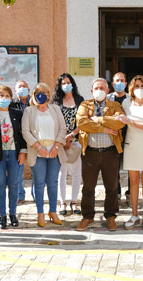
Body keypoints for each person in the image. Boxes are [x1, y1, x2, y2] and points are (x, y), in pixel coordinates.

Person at [75, 78, 126, 231]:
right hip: (90, 153)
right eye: (96, 88)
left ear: (107, 90)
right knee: (88, 188)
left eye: (102, 88)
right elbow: (81, 123)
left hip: (110, 153)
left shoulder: (115, 105)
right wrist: (104, 128)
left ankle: (110, 216)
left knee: (111, 187)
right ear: (91, 91)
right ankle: (87, 217)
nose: (99, 90)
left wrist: (98, 119)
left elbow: (119, 122)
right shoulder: (84, 105)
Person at [21, 83, 67, 227]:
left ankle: (53, 211)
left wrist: (57, 145)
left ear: (49, 95)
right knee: (39, 183)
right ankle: (40, 213)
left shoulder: (55, 109)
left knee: (53, 183)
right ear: (34, 95)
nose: (42, 95)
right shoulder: (29, 111)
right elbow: (25, 131)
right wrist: (38, 146)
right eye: (39, 92)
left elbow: (62, 128)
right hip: (38, 151)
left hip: (55, 151)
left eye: (45, 92)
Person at [117, 75, 143, 231]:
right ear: (131, 89)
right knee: (133, 181)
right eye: (136, 86)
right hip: (131, 145)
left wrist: (131, 122)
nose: (139, 89)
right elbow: (119, 119)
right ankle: (134, 214)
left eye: (142, 86)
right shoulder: (126, 102)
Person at [0, 85, 27, 229]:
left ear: (11, 98)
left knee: (14, 184)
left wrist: (23, 151)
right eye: (1, 96)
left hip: (14, 153)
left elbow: (22, 134)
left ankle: (12, 214)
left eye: (7, 96)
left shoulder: (17, 113)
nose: (4, 98)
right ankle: (2, 216)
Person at [52, 73, 84, 216]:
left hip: (76, 141)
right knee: (61, 173)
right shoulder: (56, 102)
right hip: (60, 142)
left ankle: (74, 202)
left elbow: (82, 121)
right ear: (59, 86)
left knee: (77, 173)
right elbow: (54, 123)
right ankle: (63, 202)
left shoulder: (79, 100)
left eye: (68, 82)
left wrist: (71, 136)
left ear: (73, 83)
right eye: (63, 83)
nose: (66, 85)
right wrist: (63, 140)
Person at [107, 72, 130, 202]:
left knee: (130, 166)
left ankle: (130, 193)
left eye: (122, 80)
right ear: (112, 84)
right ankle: (117, 192)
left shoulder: (131, 99)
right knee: (114, 166)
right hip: (113, 136)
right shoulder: (108, 98)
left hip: (129, 136)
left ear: (126, 84)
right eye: (117, 81)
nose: (119, 83)